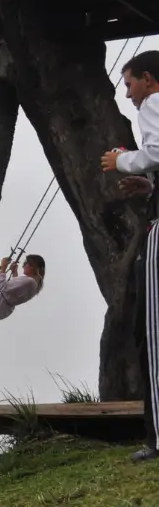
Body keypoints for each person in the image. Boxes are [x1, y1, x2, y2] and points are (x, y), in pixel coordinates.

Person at [101, 49, 159, 463]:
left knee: (152, 332)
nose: (129, 95)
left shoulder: (155, 103)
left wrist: (121, 160)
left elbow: (155, 152)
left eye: (130, 84)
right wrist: (150, 188)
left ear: (149, 80)